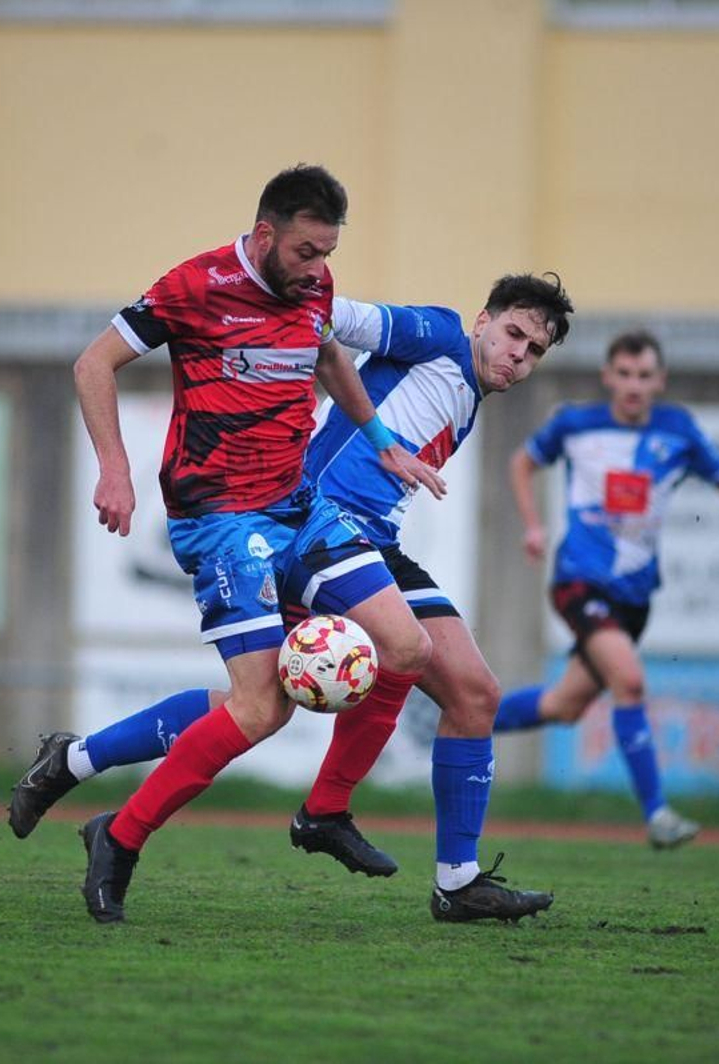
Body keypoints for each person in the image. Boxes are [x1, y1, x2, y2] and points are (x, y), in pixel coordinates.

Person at [10, 274, 573, 923]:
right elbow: (334, 317)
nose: (518, 355)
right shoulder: (441, 334)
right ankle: (319, 810)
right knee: (290, 693)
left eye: (534, 351)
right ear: (483, 320)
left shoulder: (469, 392)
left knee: (470, 694)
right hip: (310, 526)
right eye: (512, 334)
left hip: (370, 543)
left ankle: (457, 880)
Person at [54, 164, 445, 924]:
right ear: (265, 235)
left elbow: (330, 356)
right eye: (304, 251)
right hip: (220, 520)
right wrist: (113, 470)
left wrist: (383, 440)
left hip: (299, 505)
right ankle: (120, 837)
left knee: (408, 648)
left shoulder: (315, 290)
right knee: (261, 708)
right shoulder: (194, 286)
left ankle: (325, 812)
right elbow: (92, 362)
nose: (317, 270)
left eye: (327, 253)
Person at [494, 329, 719, 849]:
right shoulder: (576, 424)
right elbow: (522, 462)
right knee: (630, 683)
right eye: (625, 374)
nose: (634, 385)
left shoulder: (677, 430)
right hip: (579, 582)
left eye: (644, 375)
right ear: (608, 377)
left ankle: (461, 717)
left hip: (635, 599)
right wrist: (532, 525)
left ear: (659, 380)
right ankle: (657, 814)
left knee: (563, 706)